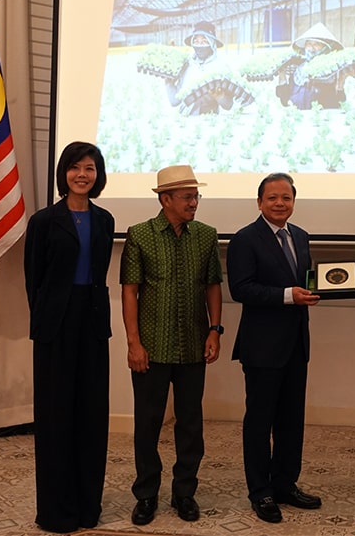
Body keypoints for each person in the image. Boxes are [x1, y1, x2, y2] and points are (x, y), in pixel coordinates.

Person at [120, 164, 224, 526]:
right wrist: (134, 342)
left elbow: (213, 285)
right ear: (166, 200)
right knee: (147, 423)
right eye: (187, 197)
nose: (194, 202)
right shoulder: (140, 235)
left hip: (194, 344)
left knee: (190, 423)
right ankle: (146, 495)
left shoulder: (206, 236)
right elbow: (130, 291)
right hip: (151, 346)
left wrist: (215, 330)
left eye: (196, 196)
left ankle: (184, 493)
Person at [23, 141, 115, 533]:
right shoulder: (44, 221)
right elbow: (34, 279)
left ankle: (87, 508)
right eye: (76, 167)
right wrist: (46, 319)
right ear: (64, 173)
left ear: (98, 176)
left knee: (92, 417)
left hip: (93, 323)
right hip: (55, 327)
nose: (83, 175)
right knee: (56, 417)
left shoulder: (106, 220)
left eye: (90, 168)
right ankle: (57, 512)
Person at [226, 173, 322, 524]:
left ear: (293, 201)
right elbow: (241, 289)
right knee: (259, 421)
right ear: (259, 202)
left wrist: (314, 291)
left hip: (296, 344)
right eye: (272, 198)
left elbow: (306, 281)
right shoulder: (244, 239)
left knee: (291, 420)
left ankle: (285, 484)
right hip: (262, 347)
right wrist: (288, 296)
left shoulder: (300, 236)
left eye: (286, 197)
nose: (280, 203)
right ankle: (261, 491)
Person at [165, 21, 234, 115]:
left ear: (212, 43)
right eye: (196, 41)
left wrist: (220, 97)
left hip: (210, 121)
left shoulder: (222, 68)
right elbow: (174, 102)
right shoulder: (187, 66)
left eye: (204, 41)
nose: (199, 45)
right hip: (185, 121)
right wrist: (169, 84)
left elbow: (228, 105)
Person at [276, 22, 346, 110]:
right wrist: (282, 77)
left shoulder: (330, 71)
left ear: (325, 48)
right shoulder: (298, 70)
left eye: (316, 44)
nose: (312, 48)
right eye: (309, 44)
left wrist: (339, 86)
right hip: (298, 118)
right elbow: (285, 102)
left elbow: (337, 102)